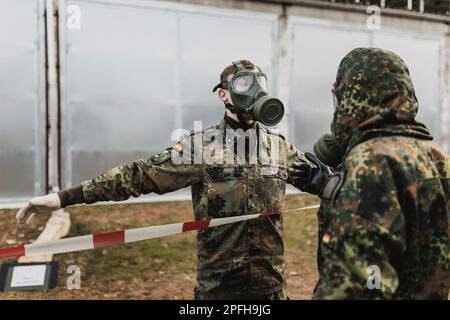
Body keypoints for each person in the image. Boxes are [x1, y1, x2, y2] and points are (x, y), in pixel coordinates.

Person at [16, 60, 329, 300]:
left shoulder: (277, 147)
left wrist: (326, 181)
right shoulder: (199, 148)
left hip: (271, 290)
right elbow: (136, 177)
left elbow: (329, 185)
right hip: (218, 292)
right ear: (224, 94)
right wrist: (63, 198)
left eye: (260, 82)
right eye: (245, 82)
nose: (255, 89)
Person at [294, 48, 449, 299]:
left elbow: (357, 285)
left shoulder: (369, 162)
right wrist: (333, 188)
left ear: (354, 97)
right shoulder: (436, 155)